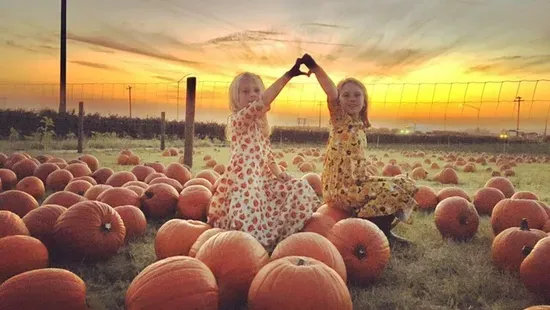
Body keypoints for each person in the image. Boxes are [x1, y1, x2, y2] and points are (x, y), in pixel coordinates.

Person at [301, 53, 419, 245]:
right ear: (339, 101)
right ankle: (368, 228)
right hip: (341, 190)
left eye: (357, 95)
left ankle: (379, 228)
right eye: (346, 95)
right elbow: (330, 91)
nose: (352, 99)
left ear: (364, 101)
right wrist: (315, 68)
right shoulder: (340, 120)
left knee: (406, 184)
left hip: (357, 185)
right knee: (393, 191)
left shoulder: (360, 127)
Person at [207, 59, 321, 252]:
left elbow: (267, 155)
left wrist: (278, 173)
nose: (252, 94)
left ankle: (279, 239)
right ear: (235, 99)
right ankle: (250, 249)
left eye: (256, 90)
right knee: (246, 213)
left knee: (300, 187)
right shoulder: (238, 121)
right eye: (245, 91)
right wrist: (288, 75)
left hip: (263, 181)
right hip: (244, 183)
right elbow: (264, 101)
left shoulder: (260, 126)